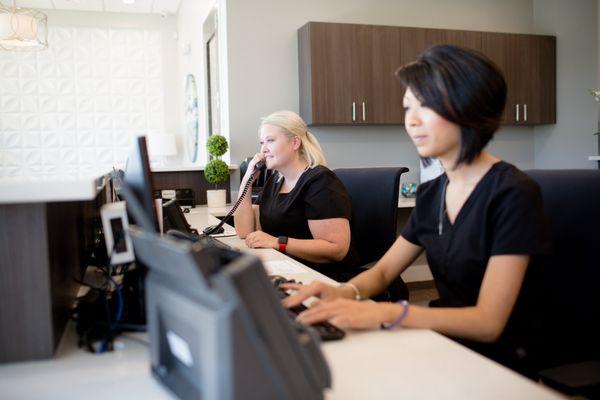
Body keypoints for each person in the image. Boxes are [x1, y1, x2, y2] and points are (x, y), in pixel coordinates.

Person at [283, 45, 551, 377]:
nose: (411, 120)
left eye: (425, 106)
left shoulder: (513, 194)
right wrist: (342, 291)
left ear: (471, 107)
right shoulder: (434, 193)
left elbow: (488, 323)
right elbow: (383, 273)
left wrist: (389, 314)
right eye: (408, 107)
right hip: (445, 344)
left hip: (502, 363)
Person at [234, 110, 360, 281]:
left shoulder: (320, 181)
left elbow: (336, 249)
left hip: (325, 278)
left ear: (295, 142)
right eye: (262, 142)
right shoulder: (274, 182)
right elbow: (244, 232)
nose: (263, 150)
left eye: (270, 140)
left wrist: (277, 242)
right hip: (290, 270)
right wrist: (247, 180)